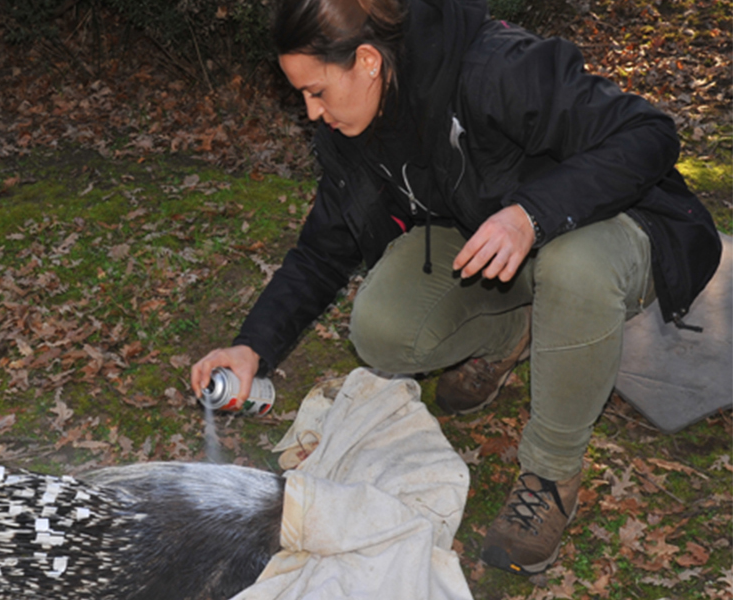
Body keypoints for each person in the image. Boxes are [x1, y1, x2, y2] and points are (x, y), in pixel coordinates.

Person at [191, 0, 721, 575]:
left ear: (367, 61)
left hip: (617, 226)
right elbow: (323, 248)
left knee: (574, 267)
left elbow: (649, 134)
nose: (311, 111)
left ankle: (551, 473)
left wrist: (531, 215)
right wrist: (253, 346)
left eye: (316, 91)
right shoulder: (354, 128)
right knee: (382, 329)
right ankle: (511, 334)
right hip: (492, 234)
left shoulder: (495, 67)